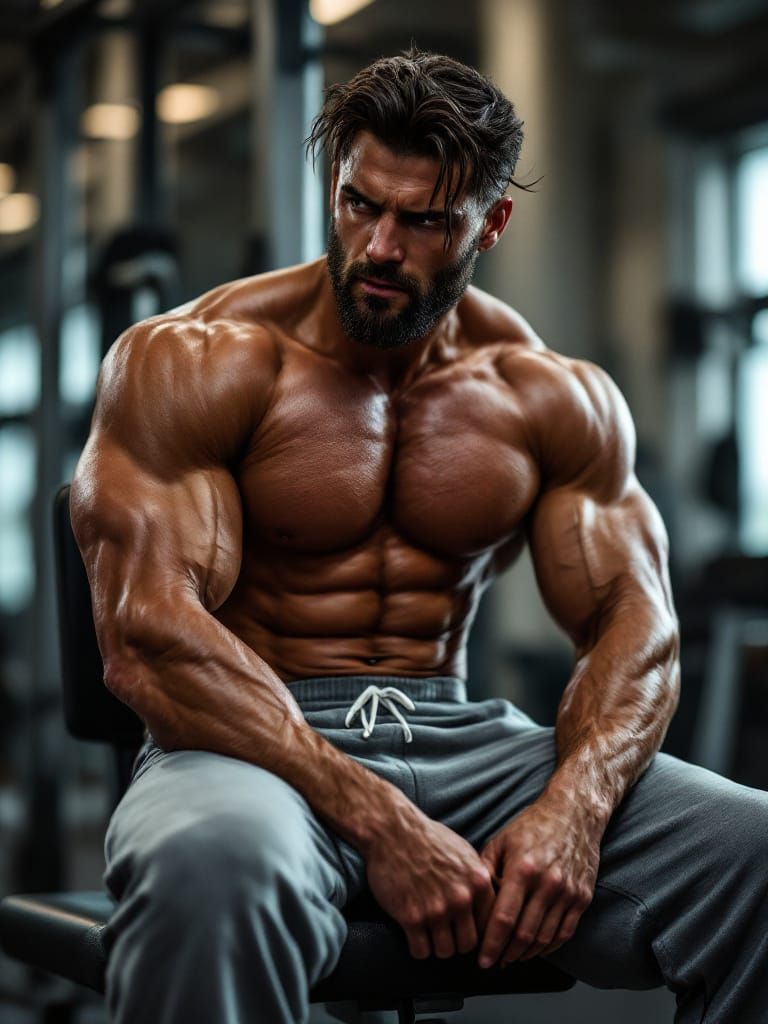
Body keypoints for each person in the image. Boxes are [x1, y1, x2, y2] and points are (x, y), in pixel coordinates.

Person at [70, 49, 767, 1024]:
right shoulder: (197, 360)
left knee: (753, 852)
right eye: (361, 204)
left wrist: (575, 805)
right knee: (210, 863)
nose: (380, 246)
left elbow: (635, 625)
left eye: (424, 219)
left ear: (492, 220)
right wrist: (379, 819)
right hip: (249, 745)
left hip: (462, 739)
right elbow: (146, 635)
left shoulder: (547, 394)